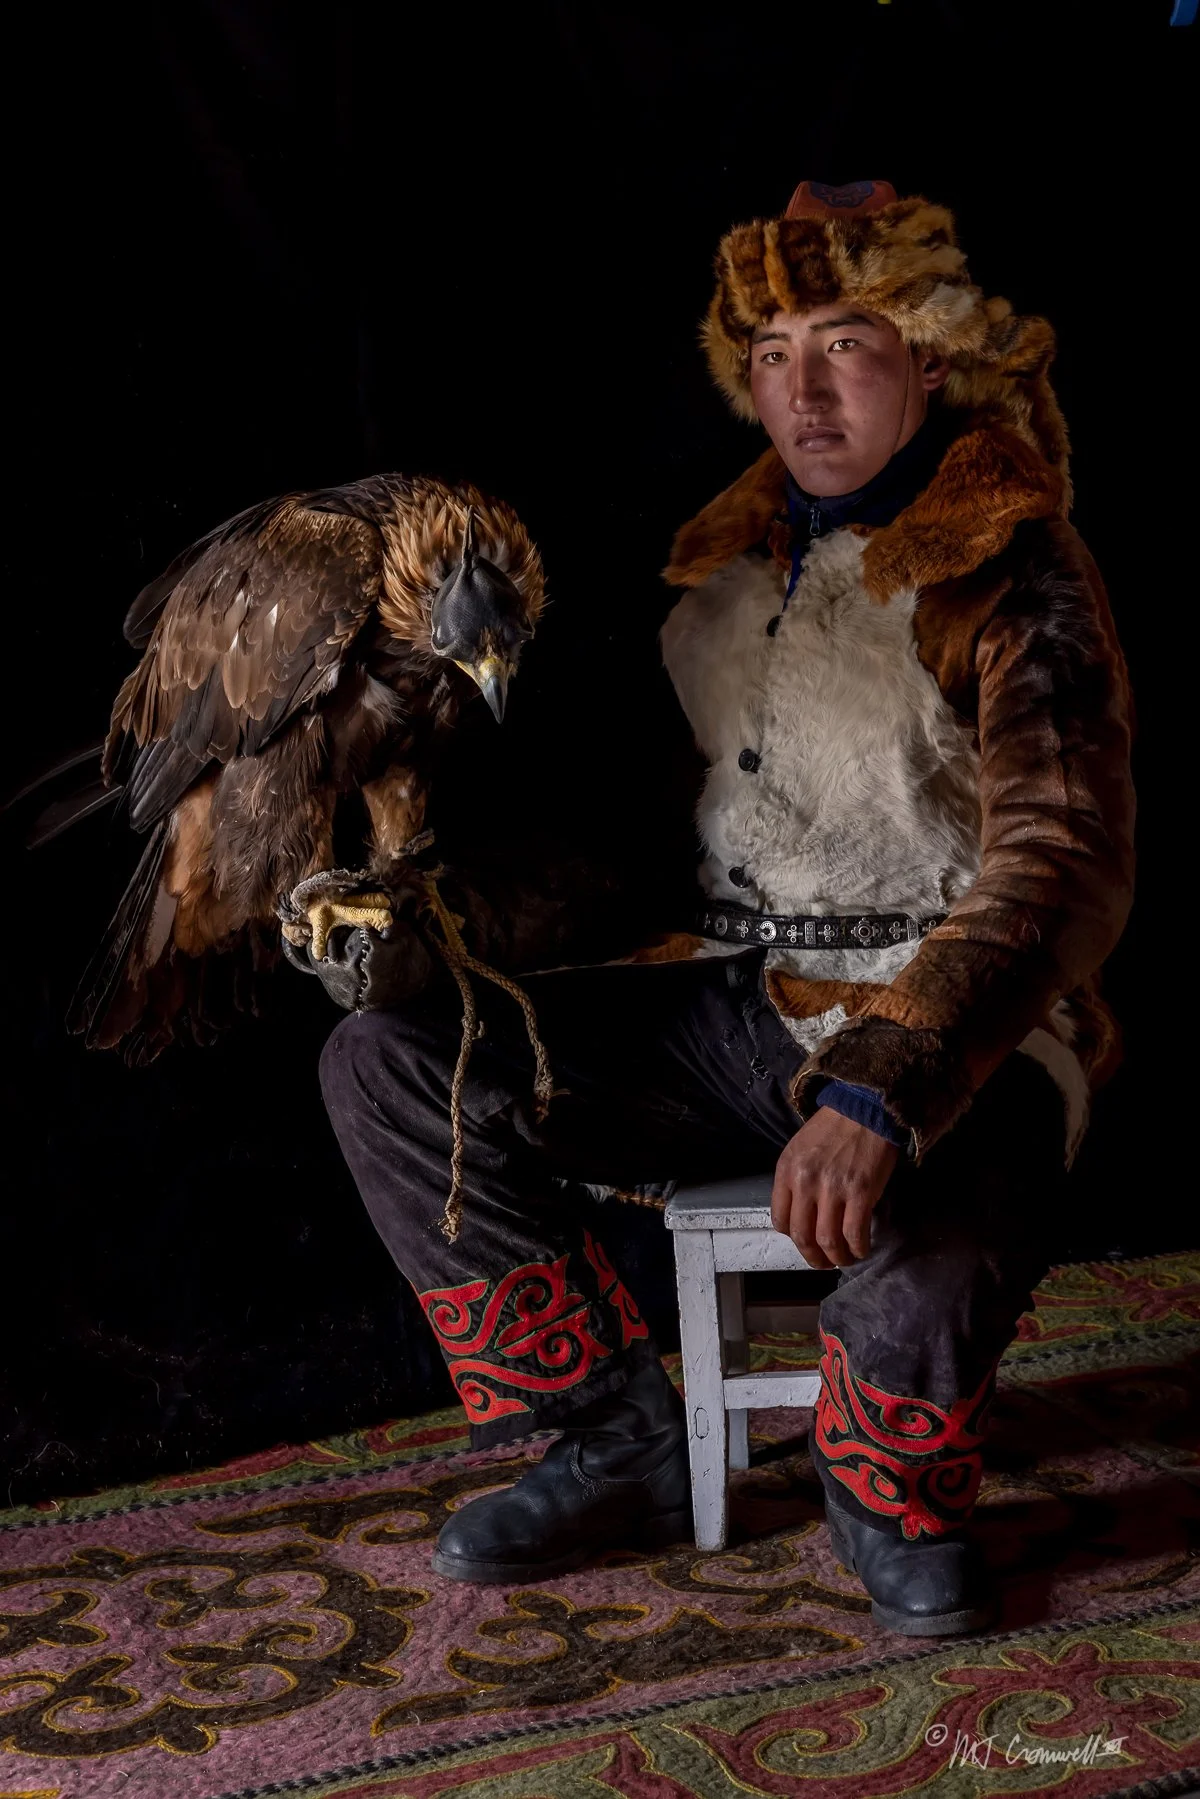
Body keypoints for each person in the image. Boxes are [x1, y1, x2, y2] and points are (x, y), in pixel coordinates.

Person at [317, 178, 1134, 1636]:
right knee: (387, 1059)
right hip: (725, 1003)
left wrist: (890, 1083)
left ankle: (886, 1483)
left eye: (844, 340)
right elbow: (636, 853)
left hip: (957, 1015)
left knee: (942, 1243)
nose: (802, 388)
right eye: (769, 351)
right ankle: (614, 1432)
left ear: (931, 361)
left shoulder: (1015, 565)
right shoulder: (713, 571)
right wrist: (431, 926)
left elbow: (1063, 861)